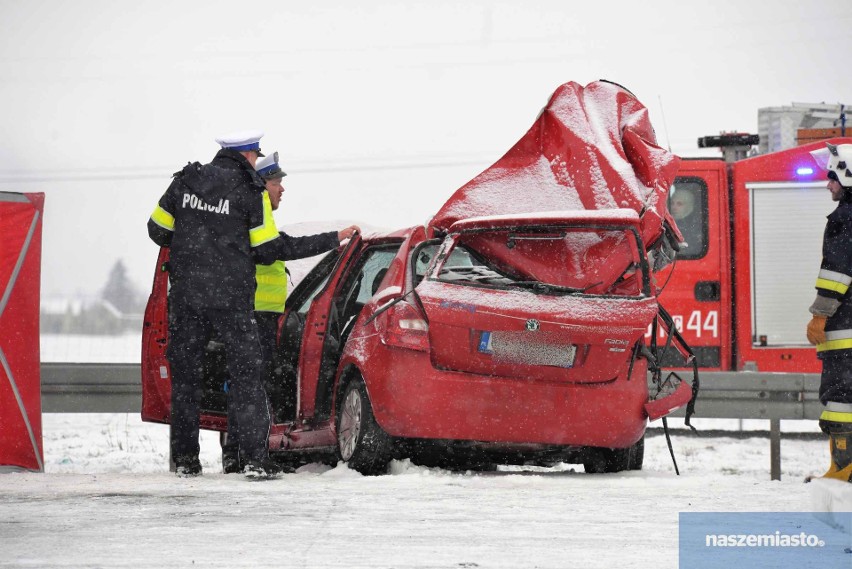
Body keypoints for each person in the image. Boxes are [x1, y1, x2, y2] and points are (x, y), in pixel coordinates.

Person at [147, 130, 286, 480]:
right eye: (256, 155)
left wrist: (194, 239)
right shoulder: (251, 191)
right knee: (247, 378)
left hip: (187, 296)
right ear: (249, 155)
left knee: (186, 380)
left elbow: (157, 230)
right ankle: (254, 460)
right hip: (232, 298)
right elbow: (267, 248)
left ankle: (186, 462)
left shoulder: (187, 181)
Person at [221, 151, 359, 473]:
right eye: (276, 183)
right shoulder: (255, 217)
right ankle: (247, 456)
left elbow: (284, 245)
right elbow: (282, 249)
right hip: (254, 315)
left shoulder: (259, 219)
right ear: (261, 185)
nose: (282, 189)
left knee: (249, 383)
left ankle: (239, 455)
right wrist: (334, 239)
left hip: (263, 315)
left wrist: (333, 239)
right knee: (253, 385)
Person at [806, 142, 852, 483]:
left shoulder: (844, 218)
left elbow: (836, 273)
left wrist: (820, 315)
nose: (828, 185)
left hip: (846, 332)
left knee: (840, 399)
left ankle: (844, 469)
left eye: (832, 177)